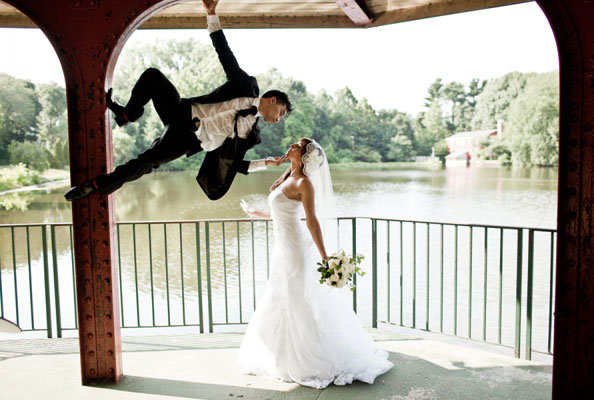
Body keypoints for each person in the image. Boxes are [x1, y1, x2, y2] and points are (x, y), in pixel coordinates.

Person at [64, 0, 293, 202]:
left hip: (188, 139)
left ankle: (95, 186)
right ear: (272, 100)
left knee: (148, 162)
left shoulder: (252, 135)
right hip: (182, 110)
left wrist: (266, 163)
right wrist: (211, 15)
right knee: (153, 76)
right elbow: (225, 53)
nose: (279, 119)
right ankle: (128, 115)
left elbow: (235, 166)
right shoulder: (245, 85)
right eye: (282, 113)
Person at [238, 138, 393, 389]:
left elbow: (311, 221)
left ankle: (308, 358)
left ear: (306, 156)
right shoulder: (287, 177)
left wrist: (325, 257)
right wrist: (257, 214)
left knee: (297, 299)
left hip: (297, 250)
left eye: (296, 146)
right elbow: (281, 213)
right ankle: (281, 354)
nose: (290, 147)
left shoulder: (304, 184)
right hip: (283, 248)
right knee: (280, 297)